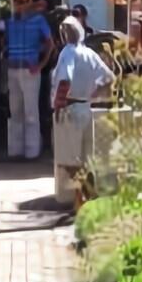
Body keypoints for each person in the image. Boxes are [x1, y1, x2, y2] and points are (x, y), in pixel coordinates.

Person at [50, 16, 114, 211]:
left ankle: (80, 201)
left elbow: (64, 79)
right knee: (86, 158)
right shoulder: (89, 53)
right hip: (86, 108)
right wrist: (94, 94)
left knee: (71, 160)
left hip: (69, 110)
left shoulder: (68, 53)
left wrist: (59, 104)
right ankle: (88, 199)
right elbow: (109, 77)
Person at [3, 0, 54, 159]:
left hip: (30, 70)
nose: (16, 5)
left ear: (28, 2)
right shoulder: (9, 21)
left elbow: (50, 44)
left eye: (20, 1)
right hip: (13, 69)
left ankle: (31, 152)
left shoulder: (38, 20)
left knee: (31, 112)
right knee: (15, 111)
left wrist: (41, 64)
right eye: (15, 1)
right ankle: (15, 151)